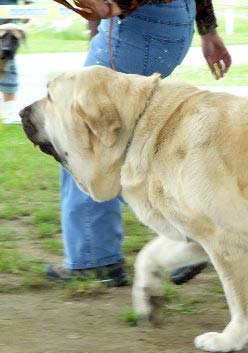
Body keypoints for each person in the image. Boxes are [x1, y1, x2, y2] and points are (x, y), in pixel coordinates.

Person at [45, 0, 231, 286]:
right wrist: (208, 33)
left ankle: (190, 234)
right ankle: (101, 255)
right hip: (171, 25)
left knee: (82, 145)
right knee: (118, 147)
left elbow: (110, 7)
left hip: (138, 32)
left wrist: (109, 7)